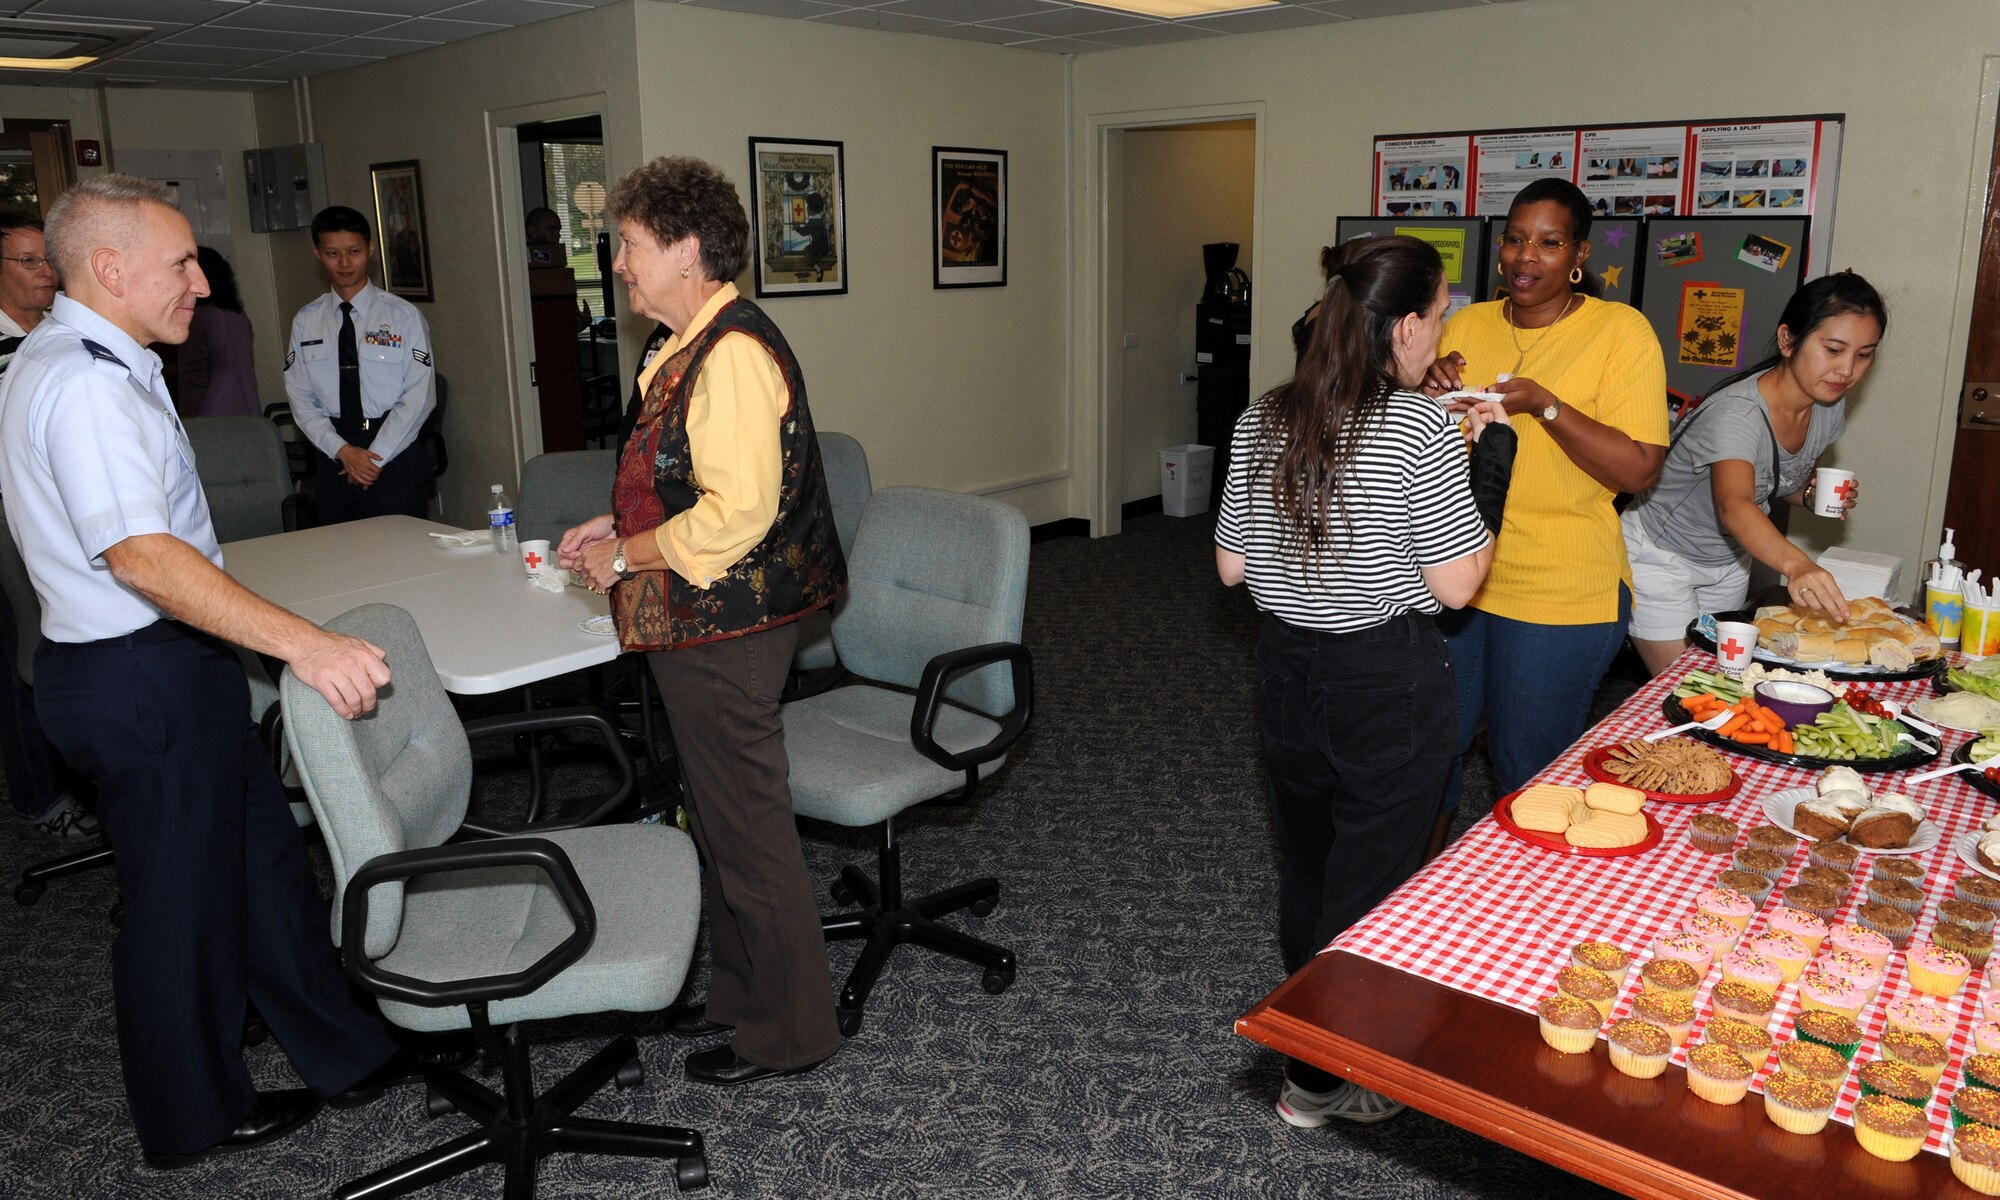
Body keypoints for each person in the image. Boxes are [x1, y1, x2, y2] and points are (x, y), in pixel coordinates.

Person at [0, 174, 428, 1169]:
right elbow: (142, 556)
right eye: (180, 261)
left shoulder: (91, 354)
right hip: (134, 671)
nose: (201, 280)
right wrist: (302, 644)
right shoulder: (86, 383)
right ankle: (189, 1115)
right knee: (178, 901)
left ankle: (340, 1046)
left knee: (261, 861)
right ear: (108, 268)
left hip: (161, 665)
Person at [558, 156, 845, 1087]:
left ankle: (792, 1031)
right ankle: (743, 998)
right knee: (719, 820)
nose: (622, 265)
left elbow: (734, 517)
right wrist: (622, 519)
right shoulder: (684, 341)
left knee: (748, 830)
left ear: (687, 250)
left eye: (633, 246)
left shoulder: (731, 355)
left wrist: (625, 556)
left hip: (728, 628)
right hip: (705, 621)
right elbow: (690, 480)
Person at [1215, 235, 1511, 1131]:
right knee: (1374, 885)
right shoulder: (1421, 429)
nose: (1445, 327)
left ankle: (1311, 1053)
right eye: (1445, 313)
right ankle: (1320, 1075)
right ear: (1411, 325)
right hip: (1385, 680)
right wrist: (1489, 458)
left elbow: (1231, 568)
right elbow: (1456, 586)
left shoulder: (1263, 414)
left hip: (1287, 674)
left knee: (1309, 870)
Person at [1422, 178, 1668, 819]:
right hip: (1457, 573)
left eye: (1549, 243)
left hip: (1563, 587)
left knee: (1527, 767)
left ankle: (1527, 911)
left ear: (1580, 254)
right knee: (1429, 751)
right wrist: (1427, 384)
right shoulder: (1467, 323)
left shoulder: (1621, 331)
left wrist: (1547, 405)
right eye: (1515, 239)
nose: (1526, 256)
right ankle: (1414, 907)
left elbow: (1640, 468)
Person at [1622, 273, 1886, 674]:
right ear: (1787, 340)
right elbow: (1735, 504)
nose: (1846, 369)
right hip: (1660, 557)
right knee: (1688, 686)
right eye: (1833, 349)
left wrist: (1811, 496)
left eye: (1864, 355)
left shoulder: (1828, 407)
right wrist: (1798, 564)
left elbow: (1777, 483)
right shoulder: (1737, 415)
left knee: (1727, 678)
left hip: (1729, 559)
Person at [0, 212, 95, 841]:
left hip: (70, 516)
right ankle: (42, 796)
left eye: (49, 260)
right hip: (6, 522)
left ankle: (94, 778)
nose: (46, 273)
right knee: (21, 655)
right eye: (29, 261)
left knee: (77, 645)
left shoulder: (64, 333)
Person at [284, 205, 436, 523]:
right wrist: (344, 452)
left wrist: (373, 458)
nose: (344, 263)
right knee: (342, 561)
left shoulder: (403, 316)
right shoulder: (306, 321)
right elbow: (301, 400)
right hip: (333, 453)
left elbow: (420, 397)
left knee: (404, 557)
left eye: (353, 251)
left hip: (394, 452)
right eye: (332, 253)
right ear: (317, 253)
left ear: (370, 248)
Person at [177, 246, 262, 418]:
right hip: (248, 409)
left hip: (212, 414)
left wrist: (186, 417)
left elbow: (195, 375)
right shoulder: (239, 316)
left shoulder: (197, 318)